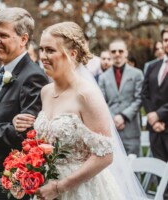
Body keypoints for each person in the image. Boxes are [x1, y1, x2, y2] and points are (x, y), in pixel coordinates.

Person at [13, 22, 146, 200]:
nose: (43, 56)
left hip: (80, 190)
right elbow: (50, 139)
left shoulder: (87, 95)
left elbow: (105, 155)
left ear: (72, 54)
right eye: (42, 49)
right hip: (46, 188)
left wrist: (60, 187)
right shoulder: (45, 92)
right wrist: (22, 124)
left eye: (50, 50)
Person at [0, 7, 49, 200]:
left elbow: (27, 138)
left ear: (23, 39)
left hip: (12, 185)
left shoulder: (34, 77)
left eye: (3, 35)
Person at [99, 39, 144, 156]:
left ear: (126, 53)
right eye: (113, 51)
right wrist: (114, 119)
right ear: (110, 53)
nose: (117, 54)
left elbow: (139, 99)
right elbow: (101, 102)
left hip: (131, 130)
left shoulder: (137, 74)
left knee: (135, 169)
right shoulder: (103, 77)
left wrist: (123, 117)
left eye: (120, 51)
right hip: (112, 131)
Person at [142, 27, 168, 199]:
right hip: (155, 130)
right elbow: (145, 93)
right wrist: (152, 116)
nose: (167, 43)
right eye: (166, 40)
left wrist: (159, 115)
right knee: (160, 174)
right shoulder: (153, 67)